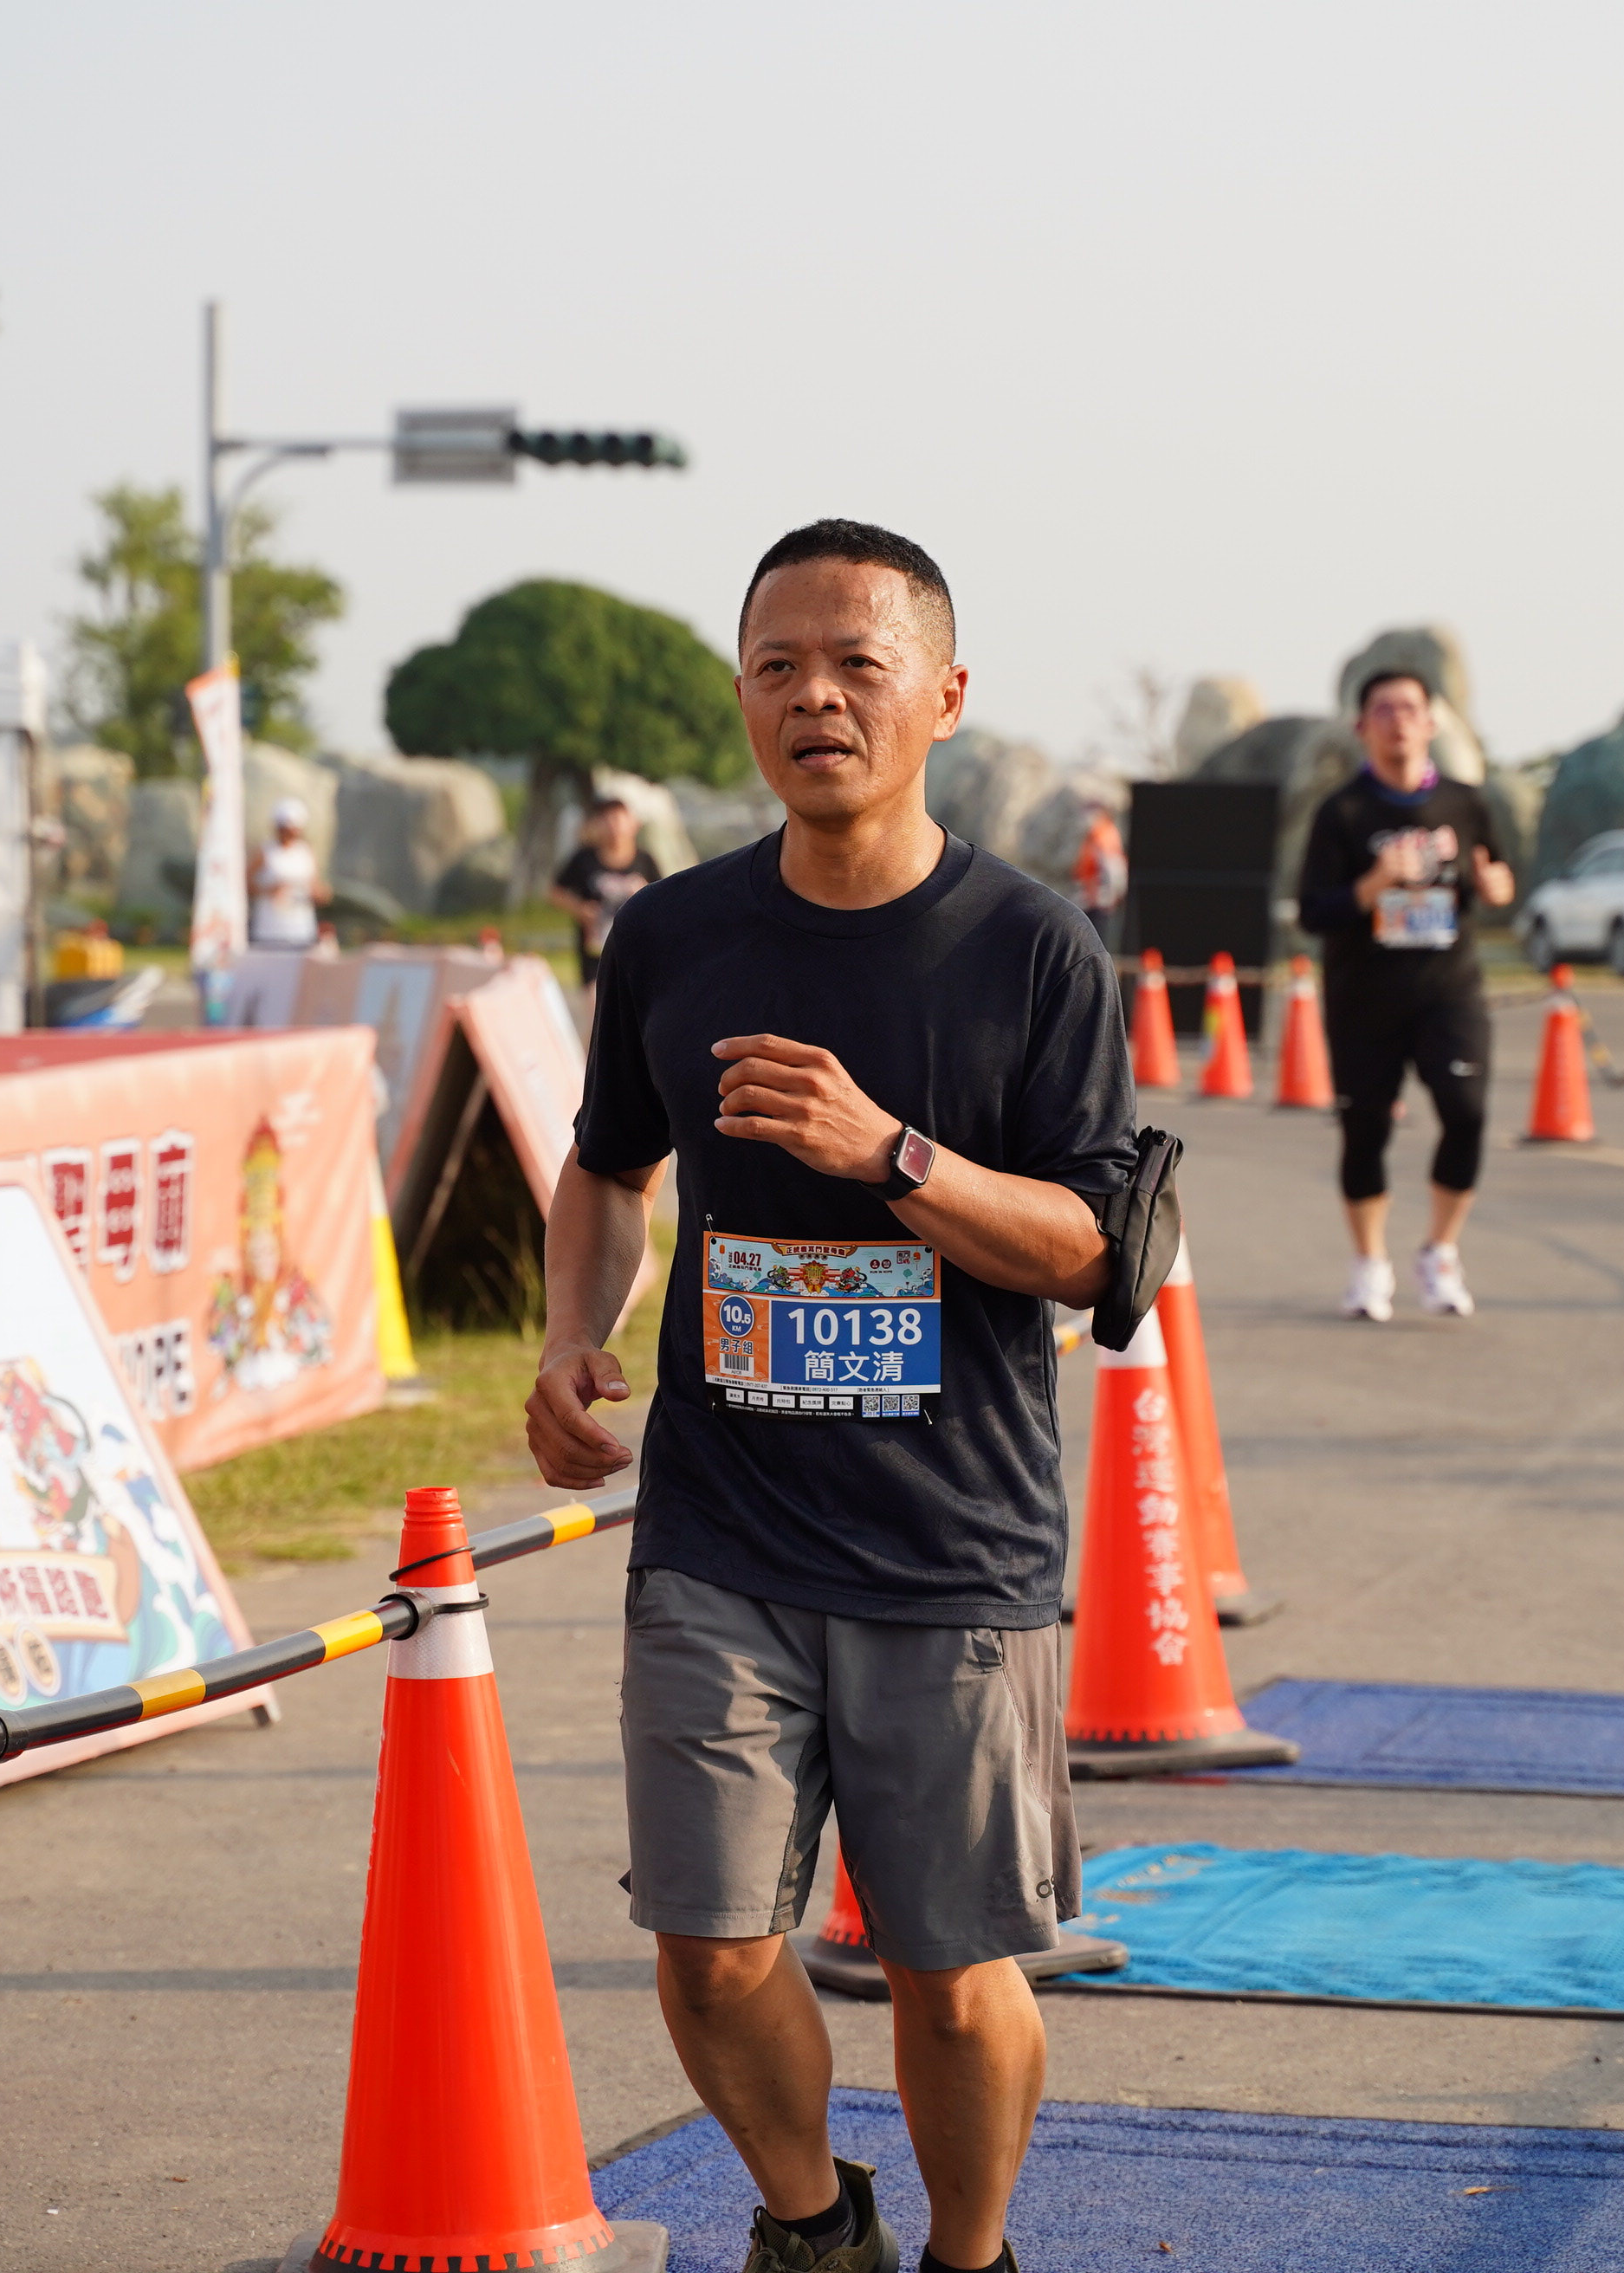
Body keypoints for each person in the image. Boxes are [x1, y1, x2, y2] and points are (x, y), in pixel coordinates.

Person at [526, 519, 1133, 2273]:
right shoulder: (675, 933)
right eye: (778, 666)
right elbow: (607, 1166)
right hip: (720, 1531)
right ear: (743, 698)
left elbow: (1094, 1248)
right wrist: (571, 1333)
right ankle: (814, 2229)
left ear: (943, 695)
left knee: (948, 1973)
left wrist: (894, 1155)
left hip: (953, 1546)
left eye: (859, 665)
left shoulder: (1033, 950)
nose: (816, 699)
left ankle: (971, 2255)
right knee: (712, 1945)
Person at [1297, 667, 1515, 1320]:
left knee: (1466, 1113)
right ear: (1362, 726)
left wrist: (1497, 888)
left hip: (1449, 990)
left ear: (1431, 723)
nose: (1399, 721)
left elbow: (1495, 876)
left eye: (1410, 709)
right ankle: (1370, 1264)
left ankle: (1440, 1251)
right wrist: (1373, 885)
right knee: (1365, 1131)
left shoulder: (1465, 803)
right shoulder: (1342, 812)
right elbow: (1313, 911)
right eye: (1384, 710)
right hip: (1365, 997)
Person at [549, 794, 665, 990]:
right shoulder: (584, 859)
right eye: (608, 820)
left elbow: (664, 900)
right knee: (597, 1001)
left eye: (619, 819)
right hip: (597, 950)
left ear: (633, 824)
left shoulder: (645, 861)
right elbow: (555, 892)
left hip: (636, 948)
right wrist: (581, 909)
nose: (614, 827)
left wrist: (644, 893)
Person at [248, 797, 328, 949]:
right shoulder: (266, 852)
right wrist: (269, 891)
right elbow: (245, 884)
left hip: (301, 929)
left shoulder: (305, 852)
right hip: (270, 930)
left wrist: (320, 894)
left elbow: (315, 886)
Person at [1070, 806, 1129, 950]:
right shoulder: (1096, 834)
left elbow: (1112, 868)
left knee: (1093, 941)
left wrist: (1112, 894)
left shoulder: (1103, 835)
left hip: (1096, 899)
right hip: (1090, 897)